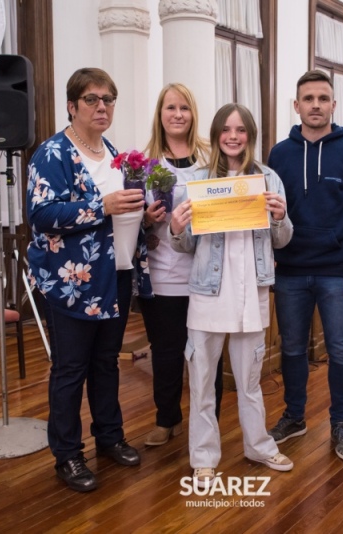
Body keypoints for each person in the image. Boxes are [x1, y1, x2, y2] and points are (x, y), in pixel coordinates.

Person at [27, 68, 151, 492]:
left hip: (114, 275)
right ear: (72, 105)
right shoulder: (53, 153)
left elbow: (123, 210)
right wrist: (103, 205)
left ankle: (110, 437)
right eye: (93, 99)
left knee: (106, 364)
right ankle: (67, 455)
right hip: (72, 281)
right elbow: (42, 214)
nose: (103, 106)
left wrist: (143, 212)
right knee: (70, 369)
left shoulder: (114, 153)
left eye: (109, 99)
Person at [169, 103, 294, 488]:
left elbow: (283, 239)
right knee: (203, 381)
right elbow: (185, 244)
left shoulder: (269, 179)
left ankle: (259, 445)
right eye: (226, 130)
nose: (233, 137)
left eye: (240, 130)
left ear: (250, 135)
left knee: (250, 381)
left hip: (250, 294)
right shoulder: (200, 180)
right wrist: (176, 227)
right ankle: (204, 458)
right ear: (216, 134)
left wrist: (280, 217)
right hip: (208, 294)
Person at [266, 70, 343, 462]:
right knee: (293, 350)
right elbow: (269, 214)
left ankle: (340, 425)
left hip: (338, 271)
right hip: (291, 271)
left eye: (323, 98)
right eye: (308, 98)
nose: (316, 105)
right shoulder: (278, 155)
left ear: (334, 104)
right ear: (296, 106)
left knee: (342, 352)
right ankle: (295, 416)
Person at [139, 83, 224, 447]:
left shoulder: (212, 159)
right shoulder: (143, 164)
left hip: (206, 273)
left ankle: (210, 423)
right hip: (163, 274)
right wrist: (146, 220)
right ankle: (166, 418)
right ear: (160, 114)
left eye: (184, 108)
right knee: (167, 352)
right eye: (170, 108)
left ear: (193, 115)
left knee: (208, 355)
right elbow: (132, 222)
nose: (177, 115)